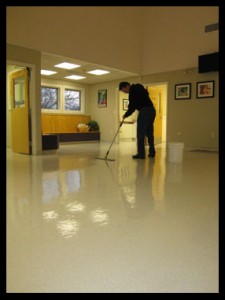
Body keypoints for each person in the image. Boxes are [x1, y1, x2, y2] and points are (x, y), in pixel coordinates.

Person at [119, 81, 156, 159]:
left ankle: (141, 154)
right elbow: (146, 94)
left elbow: (132, 107)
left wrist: (125, 115)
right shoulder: (139, 86)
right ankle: (152, 152)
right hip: (152, 110)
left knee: (140, 133)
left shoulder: (132, 93)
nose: (125, 92)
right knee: (149, 132)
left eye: (124, 90)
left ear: (127, 86)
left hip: (144, 111)